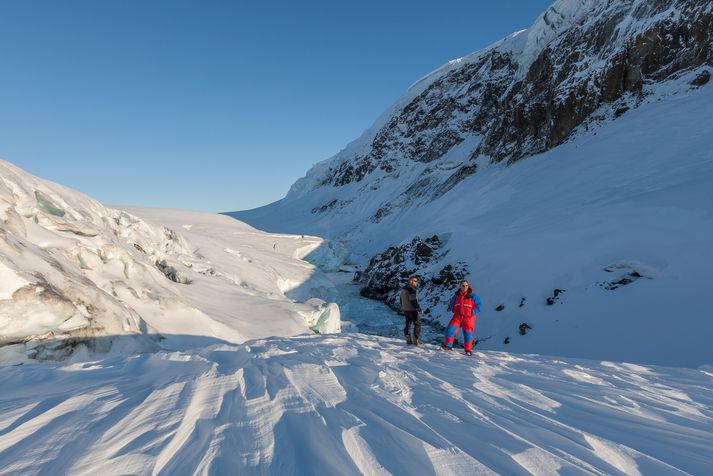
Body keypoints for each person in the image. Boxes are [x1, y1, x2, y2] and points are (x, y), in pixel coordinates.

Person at [441, 279, 481, 356]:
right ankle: (448, 346)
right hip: (457, 316)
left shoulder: (473, 296)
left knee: (467, 334)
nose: (465, 287)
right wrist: (452, 309)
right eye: (463, 285)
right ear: (460, 286)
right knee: (450, 330)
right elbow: (451, 303)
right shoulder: (456, 295)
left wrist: (472, 312)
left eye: (466, 285)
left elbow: (479, 306)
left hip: (469, 318)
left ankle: (468, 350)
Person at [399, 276, 422, 346]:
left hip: (405, 309)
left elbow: (400, 300)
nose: (416, 282)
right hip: (412, 310)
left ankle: (408, 340)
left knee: (408, 324)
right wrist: (419, 309)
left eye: (416, 281)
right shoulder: (411, 289)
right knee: (418, 324)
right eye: (415, 281)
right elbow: (413, 300)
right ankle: (415, 340)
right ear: (410, 281)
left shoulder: (403, 289)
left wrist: (403, 307)